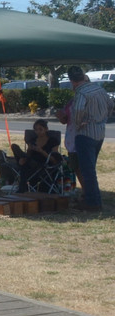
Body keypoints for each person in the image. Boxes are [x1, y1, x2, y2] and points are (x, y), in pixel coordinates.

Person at [67, 66, 107, 211]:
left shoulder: (81, 92)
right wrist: (101, 119)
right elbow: (110, 106)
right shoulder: (99, 90)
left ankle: (93, 202)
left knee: (87, 171)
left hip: (85, 134)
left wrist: (78, 124)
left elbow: (78, 110)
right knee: (90, 169)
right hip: (99, 132)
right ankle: (92, 199)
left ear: (72, 81)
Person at [11, 118, 62, 188]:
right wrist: (29, 150)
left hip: (43, 164)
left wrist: (41, 151)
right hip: (30, 161)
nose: (38, 132)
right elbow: (29, 154)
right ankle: (22, 158)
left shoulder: (53, 141)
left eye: (40, 129)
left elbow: (55, 160)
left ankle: (22, 188)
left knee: (25, 166)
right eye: (36, 130)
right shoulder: (33, 140)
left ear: (46, 129)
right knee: (15, 147)